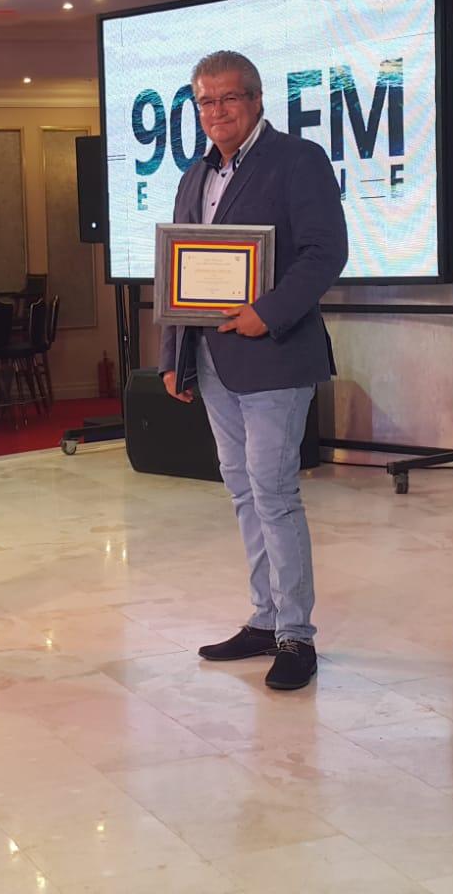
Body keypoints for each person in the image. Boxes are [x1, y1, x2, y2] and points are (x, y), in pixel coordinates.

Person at [160, 50, 348, 691]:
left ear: (257, 99)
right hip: (213, 360)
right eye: (205, 101)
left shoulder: (299, 160)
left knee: (274, 493)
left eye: (229, 98)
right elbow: (176, 271)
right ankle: (266, 619)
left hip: (277, 355)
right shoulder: (194, 175)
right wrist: (173, 356)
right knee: (243, 491)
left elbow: (326, 252)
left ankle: (297, 635)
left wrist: (266, 313)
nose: (216, 112)